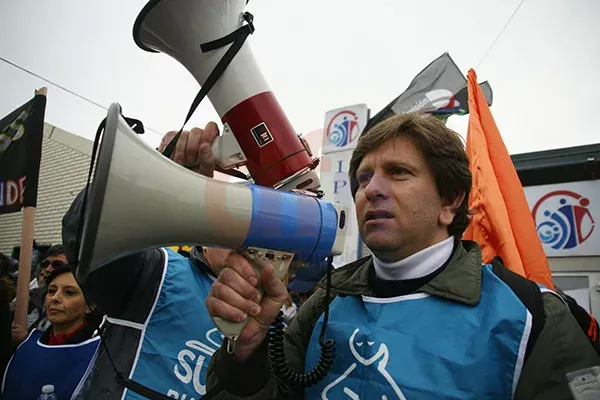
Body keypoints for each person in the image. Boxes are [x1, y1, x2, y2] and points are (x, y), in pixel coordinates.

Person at [205, 112, 600, 399]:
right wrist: (246, 357)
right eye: (363, 178)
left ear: (449, 201)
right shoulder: (327, 302)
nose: (371, 189)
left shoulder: (534, 316)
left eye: (398, 172)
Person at [62, 123, 233, 399]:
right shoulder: (159, 269)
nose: (245, 246)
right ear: (207, 235)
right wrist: (149, 181)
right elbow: (88, 236)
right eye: (233, 229)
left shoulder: (274, 326)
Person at [2, 264, 103, 399]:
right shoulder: (26, 345)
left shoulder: (99, 353)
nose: (55, 298)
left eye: (69, 293)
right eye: (51, 291)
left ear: (90, 306)